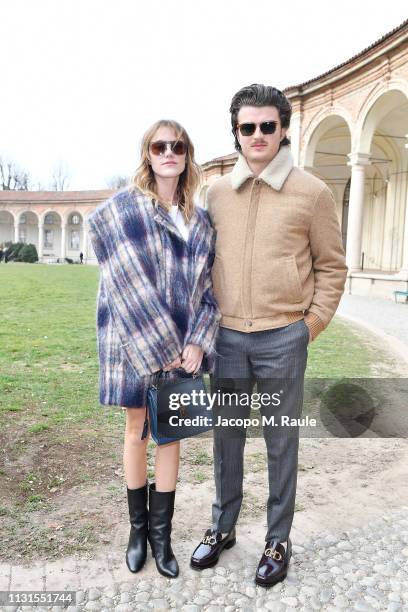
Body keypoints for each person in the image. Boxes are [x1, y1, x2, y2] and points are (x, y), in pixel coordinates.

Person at [190, 84, 348, 587]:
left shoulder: (312, 193)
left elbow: (332, 267)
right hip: (228, 339)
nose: (257, 135)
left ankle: (278, 539)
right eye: (246, 127)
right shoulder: (215, 194)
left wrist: (309, 326)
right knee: (227, 441)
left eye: (267, 126)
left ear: (283, 129)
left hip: (284, 338)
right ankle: (223, 528)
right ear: (236, 134)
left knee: (282, 443)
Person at [86, 119, 221, 578]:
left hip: (185, 348)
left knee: (171, 434)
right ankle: (137, 531)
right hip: (131, 338)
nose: (168, 152)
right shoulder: (124, 210)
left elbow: (208, 293)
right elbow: (121, 280)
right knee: (137, 429)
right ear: (148, 153)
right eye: (159, 145)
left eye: (177, 145)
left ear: (187, 155)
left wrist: (199, 342)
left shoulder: (201, 223)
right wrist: (160, 343)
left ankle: (162, 536)